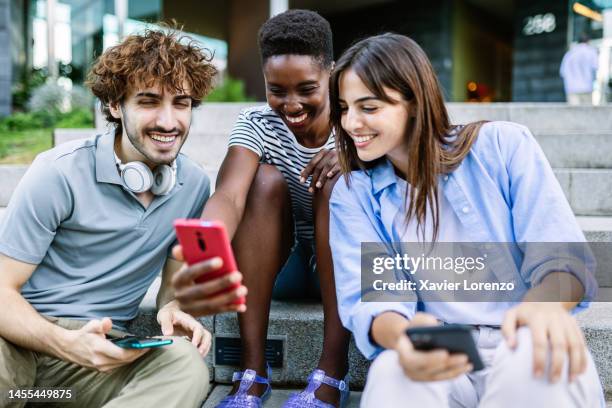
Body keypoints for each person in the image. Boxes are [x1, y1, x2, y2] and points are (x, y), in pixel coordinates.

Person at [328, 33, 604, 407]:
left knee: (530, 357)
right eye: (344, 108)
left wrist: (542, 311)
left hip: (517, 334)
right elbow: (375, 301)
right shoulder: (354, 194)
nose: (350, 123)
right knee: (394, 371)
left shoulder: (504, 147)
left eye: (369, 107)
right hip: (442, 345)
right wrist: (405, 336)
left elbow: (563, 259)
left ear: (412, 101)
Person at [0, 28, 245, 408]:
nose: (168, 121)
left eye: (180, 103)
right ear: (115, 106)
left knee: (185, 364)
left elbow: (173, 283)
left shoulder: (194, 184)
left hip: (99, 359)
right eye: (149, 102)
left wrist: (173, 307)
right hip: (20, 345)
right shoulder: (58, 173)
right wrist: (66, 344)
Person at [172, 9, 351, 408]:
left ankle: (332, 373)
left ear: (332, 74)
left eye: (307, 88)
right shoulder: (256, 122)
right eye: (277, 89)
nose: (291, 104)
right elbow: (230, 195)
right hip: (278, 266)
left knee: (336, 179)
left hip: (343, 268)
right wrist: (204, 240)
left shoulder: (356, 118)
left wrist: (352, 157)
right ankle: (252, 373)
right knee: (263, 180)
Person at [560, 33, 599, 105]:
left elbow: (563, 72)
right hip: (587, 87)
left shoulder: (569, 53)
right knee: (587, 113)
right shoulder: (591, 51)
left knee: (574, 114)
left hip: (572, 88)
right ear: (588, 41)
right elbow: (595, 69)